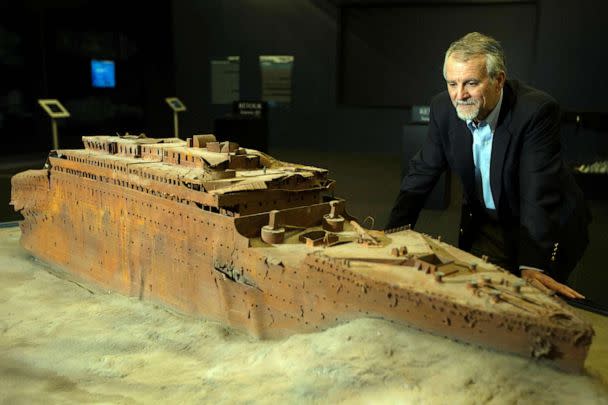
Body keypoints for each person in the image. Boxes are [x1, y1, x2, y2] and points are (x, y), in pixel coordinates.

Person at [386, 32, 590, 298]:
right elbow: (422, 172)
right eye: (452, 83)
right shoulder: (443, 108)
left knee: (534, 302)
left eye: (471, 83)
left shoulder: (536, 111)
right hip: (488, 221)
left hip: (544, 222)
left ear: (498, 80)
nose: (459, 95)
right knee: (479, 295)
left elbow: (538, 191)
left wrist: (531, 264)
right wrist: (391, 234)